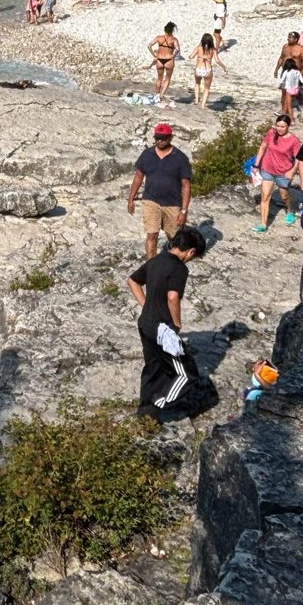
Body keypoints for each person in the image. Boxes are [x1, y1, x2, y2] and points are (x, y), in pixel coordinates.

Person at [127, 225, 208, 420]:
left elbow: (132, 281)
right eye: (193, 257)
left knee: (153, 368)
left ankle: (145, 415)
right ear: (191, 251)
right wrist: (177, 323)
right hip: (162, 328)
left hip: (145, 323)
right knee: (187, 374)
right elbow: (173, 297)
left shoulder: (156, 260)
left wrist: (147, 304)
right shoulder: (179, 268)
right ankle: (157, 404)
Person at [127, 123, 192, 258]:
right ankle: (151, 266)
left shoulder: (180, 158)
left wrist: (184, 211)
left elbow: (186, 185)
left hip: (172, 203)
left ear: (171, 138)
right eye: (157, 138)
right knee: (151, 234)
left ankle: (176, 260)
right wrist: (131, 199)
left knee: (173, 236)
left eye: (163, 138)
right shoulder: (147, 155)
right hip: (151, 200)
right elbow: (138, 177)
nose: (159, 141)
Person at [252, 114, 301, 231]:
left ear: (288, 126)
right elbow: (263, 147)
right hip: (267, 170)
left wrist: (292, 171)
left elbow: (299, 158)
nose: (279, 129)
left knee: (284, 195)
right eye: (278, 126)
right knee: (265, 196)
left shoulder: (293, 140)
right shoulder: (271, 133)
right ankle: (263, 224)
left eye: (283, 126)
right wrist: (256, 164)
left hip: (283, 173)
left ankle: (290, 209)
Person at [189, 33, 225, 109]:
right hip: (207, 70)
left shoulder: (198, 48)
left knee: (197, 84)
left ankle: (196, 100)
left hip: (198, 69)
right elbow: (217, 60)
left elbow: (191, 56)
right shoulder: (213, 49)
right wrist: (224, 67)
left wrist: (191, 56)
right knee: (206, 88)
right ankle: (203, 105)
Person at [148, 23, 179, 105]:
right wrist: (173, 56)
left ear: (164, 29)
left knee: (159, 78)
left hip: (160, 59)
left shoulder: (159, 38)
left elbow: (149, 45)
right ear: (172, 30)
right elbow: (177, 49)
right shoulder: (173, 39)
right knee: (167, 78)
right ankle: (162, 95)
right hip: (169, 60)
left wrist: (154, 55)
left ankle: (157, 94)